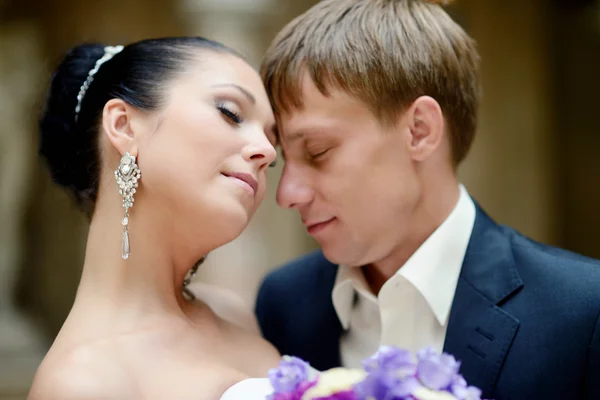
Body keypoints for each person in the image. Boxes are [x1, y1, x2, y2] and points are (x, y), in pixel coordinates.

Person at [255, 0, 600, 399]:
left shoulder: (582, 312)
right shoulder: (283, 304)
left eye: (317, 151)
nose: (286, 194)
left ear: (419, 130)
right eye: (283, 161)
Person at [28, 37, 281, 400]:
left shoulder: (235, 314)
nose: (267, 151)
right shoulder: (82, 383)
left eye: (274, 148)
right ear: (124, 126)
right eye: (230, 112)